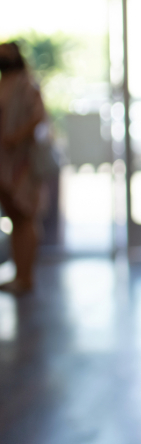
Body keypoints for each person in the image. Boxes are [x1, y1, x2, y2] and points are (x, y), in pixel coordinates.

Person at [0, 42, 47, 295]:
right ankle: (19, 274)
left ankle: (26, 276)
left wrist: (15, 137)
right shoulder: (4, 84)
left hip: (22, 161)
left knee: (25, 216)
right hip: (4, 162)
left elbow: (38, 116)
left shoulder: (26, 84)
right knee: (15, 218)